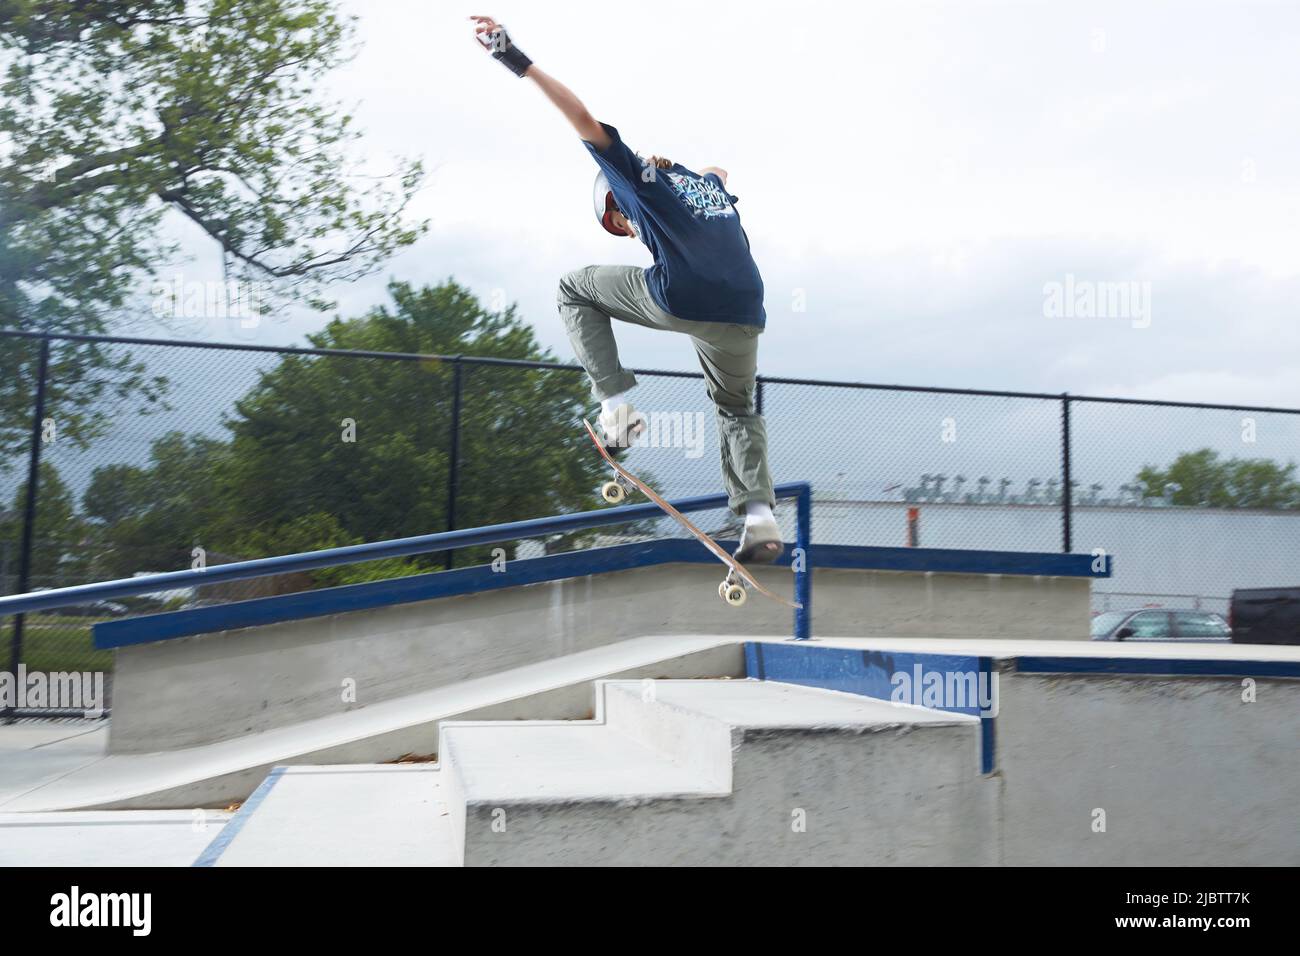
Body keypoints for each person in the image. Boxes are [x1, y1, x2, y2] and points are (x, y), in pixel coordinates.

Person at [471, 16, 781, 564]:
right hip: (745, 308)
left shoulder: (625, 175)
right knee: (736, 406)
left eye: (621, 225)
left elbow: (579, 114)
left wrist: (512, 57)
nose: (630, 231)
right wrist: (675, 166)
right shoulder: (701, 185)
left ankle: (617, 410)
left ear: (613, 202)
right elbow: (720, 169)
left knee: (574, 287)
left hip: (682, 296)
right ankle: (759, 518)